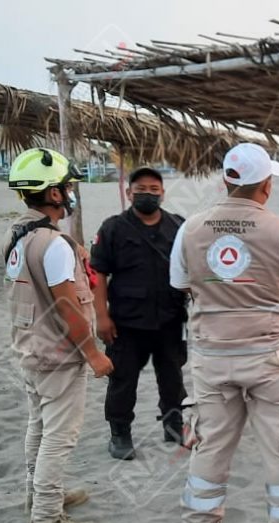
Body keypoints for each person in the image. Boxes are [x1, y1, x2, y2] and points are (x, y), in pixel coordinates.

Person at [171, 142, 279, 523]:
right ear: (267, 185)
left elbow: (180, 284)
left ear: (226, 181)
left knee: (211, 444)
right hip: (271, 357)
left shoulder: (189, 229)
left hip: (211, 356)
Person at [2, 147, 113, 523]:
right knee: (59, 434)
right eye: (66, 187)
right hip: (57, 355)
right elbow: (68, 306)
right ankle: (48, 515)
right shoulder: (52, 244)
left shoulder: (19, 235)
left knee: (39, 426)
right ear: (52, 194)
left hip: (30, 350)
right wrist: (94, 354)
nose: (70, 194)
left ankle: (39, 497)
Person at [90, 167, 188, 460]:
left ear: (162, 193)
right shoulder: (113, 228)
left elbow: (190, 267)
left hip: (170, 320)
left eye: (154, 189)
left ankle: (174, 425)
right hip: (126, 323)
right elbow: (98, 274)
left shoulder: (177, 226)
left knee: (173, 377)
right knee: (122, 380)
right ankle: (120, 434)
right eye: (141, 189)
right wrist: (101, 317)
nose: (148, 194)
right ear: (128, 193)